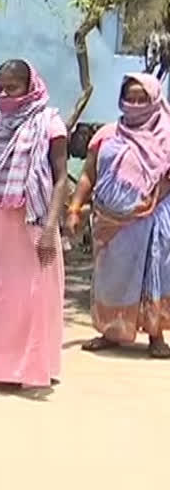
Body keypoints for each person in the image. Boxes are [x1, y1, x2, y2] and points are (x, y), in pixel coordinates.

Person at [0, 59, 68, 389]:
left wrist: (49, 228)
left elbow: (61, 180)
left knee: (28, 298)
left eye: (13, 87)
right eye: (0, 88)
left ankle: (27, 368)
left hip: (30, 221)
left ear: (30, 86)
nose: (5, 94)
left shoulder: (50, 123)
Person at [67, 73, 170, 358]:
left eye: (142, 99)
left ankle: (156, 336)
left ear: (155, 100)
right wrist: (74, 208)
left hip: (154, 219)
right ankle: (111, 331)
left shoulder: (167, 135)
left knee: (155, 274)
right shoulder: (107, 134)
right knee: (111, 275)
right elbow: (89, 174)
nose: (135, 104)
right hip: (111, 222)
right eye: (130, 98)